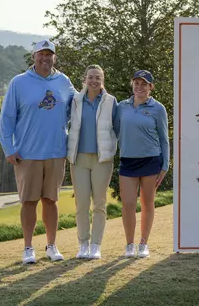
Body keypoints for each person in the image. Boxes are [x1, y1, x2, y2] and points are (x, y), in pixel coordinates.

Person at [0, 40, 76, 264]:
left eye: (49, 54)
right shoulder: (19, 82)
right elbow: (6, 120)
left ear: (55, 58)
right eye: (41, 54)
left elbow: (78, 106)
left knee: (51, 200)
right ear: (34, 57)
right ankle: (28, 248)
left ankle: (51, 246)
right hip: (27, 154)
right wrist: (9, 149)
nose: (45, 58)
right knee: (29, 202)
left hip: (56, 152)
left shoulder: (63, 81)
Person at [67, 65, 119, 260]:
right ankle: (83, 245)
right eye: (90, 77)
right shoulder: (75, 100)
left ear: (102, 80)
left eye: (98, 77)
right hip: (78, 159)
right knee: (81, 203)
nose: (94, 81)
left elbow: (117, 129)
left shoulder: (111, 101)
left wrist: (110, 150)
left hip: (101, 160)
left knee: (99, 204)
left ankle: (96, 245)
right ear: (85, 79)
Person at [115, 70, 169, 258]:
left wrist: (165, 165)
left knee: (147, 203)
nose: (139, 87)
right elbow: (113, 131)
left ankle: (143, 243)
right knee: (128, 204)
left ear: (151, 87)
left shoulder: (158, 108)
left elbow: (164, 139)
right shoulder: (122, 106)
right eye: (136, 83)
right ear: (132, 85)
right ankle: (129, 244)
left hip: (151, 160)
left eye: (144, 84)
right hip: (128, 161)